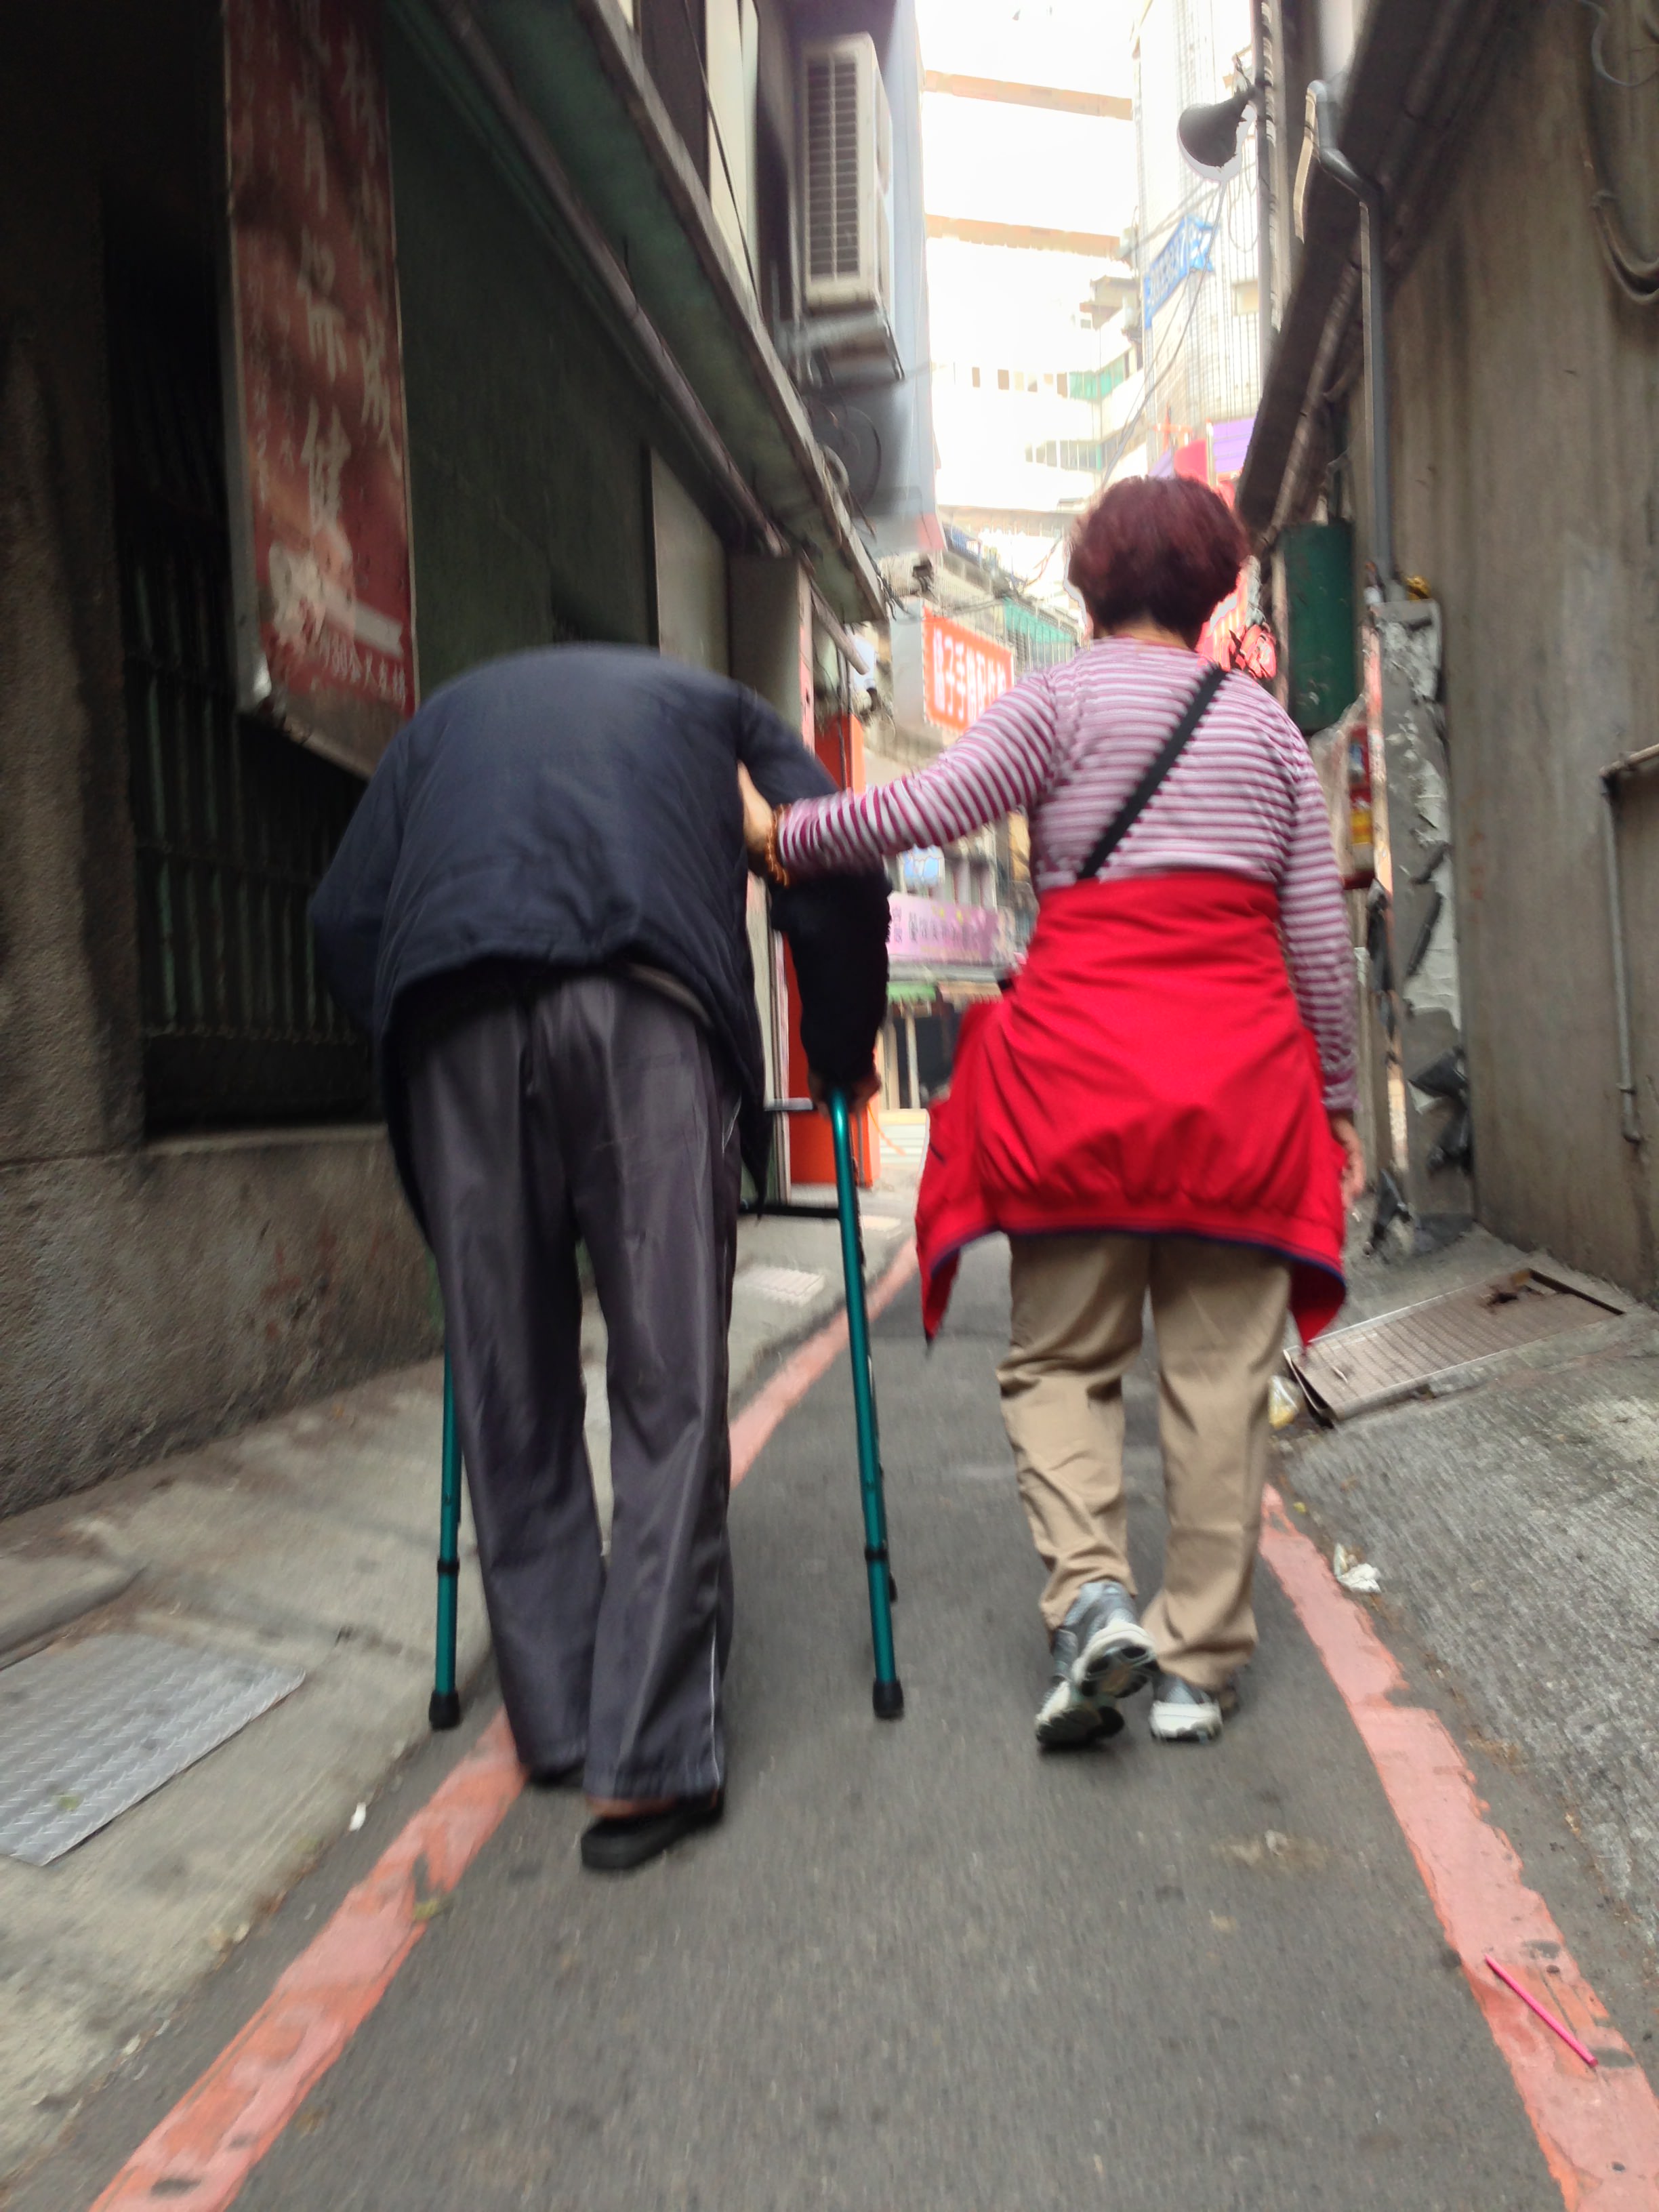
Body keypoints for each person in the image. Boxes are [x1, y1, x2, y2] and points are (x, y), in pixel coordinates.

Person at [743, 478, 1362, 1751]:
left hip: (1080, 1082)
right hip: (1243, 1090)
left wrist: (786, 835)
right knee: (1219, 1385)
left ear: (1090, 582)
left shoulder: (1057, 700)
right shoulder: (1265, 733)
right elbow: (1316, 941)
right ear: (1214, 587)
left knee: (1061, 1363)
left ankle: (1092, 1600)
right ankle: (1197, 1668)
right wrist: (1340, 1101)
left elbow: (914, 811)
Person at [312, 646, 888, 1870]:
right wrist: (841, 1051)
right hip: (642, 1006)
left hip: (454, 1019)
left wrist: (415, 1038)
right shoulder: (723, 713)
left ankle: (563, 1711)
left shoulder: (442, 725)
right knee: (669, 1382)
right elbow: (832, 863)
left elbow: (344, 918)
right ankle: (653, 1754)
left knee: (506, 1377)